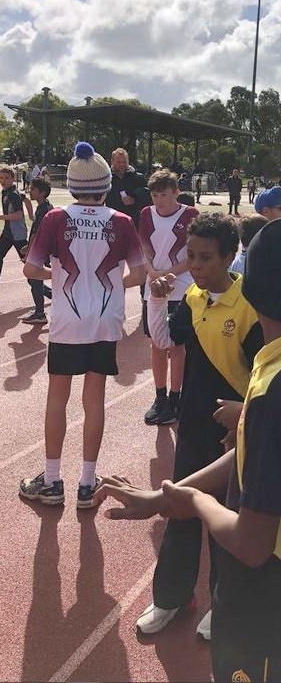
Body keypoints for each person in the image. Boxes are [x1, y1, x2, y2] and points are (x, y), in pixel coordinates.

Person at [94, 217, 281, 682]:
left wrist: (194, 502)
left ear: (249, 285)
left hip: (270, 608)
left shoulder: (276, 389)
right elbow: (252, 448)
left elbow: (251, 545)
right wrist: (168, 496)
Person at [137, 212, 263, 635]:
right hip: (192, 423)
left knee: (226, 517)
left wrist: (245, 415)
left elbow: (265, 373)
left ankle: (225, 605)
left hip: (234, 430)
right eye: (191, 255)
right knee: (180, 507)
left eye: (206, 258)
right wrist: (156, 298)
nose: (196, 265)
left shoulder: (250, 308)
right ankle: (171, 597)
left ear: (230, 256)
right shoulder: (192, 298)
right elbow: (163, 341)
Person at [19, 142, 146, 507]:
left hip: (67, 321)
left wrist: (58, 278)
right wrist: (102, 284)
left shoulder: (55, 218)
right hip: (105, 321)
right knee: (95, 401)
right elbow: (137, 274)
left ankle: (53, 480)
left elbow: (30, 269)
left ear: (72, 185)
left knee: (57, 400)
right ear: (106, 186)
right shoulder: (121, 222)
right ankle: (87, 485)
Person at [138, 169, 199, 426]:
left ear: (176, 192)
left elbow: (193, 255)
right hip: (153, 289)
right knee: (155, 344)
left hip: (181, 287)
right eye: (154, 195)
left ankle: (176, 397)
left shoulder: (190, 215)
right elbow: (144, 247)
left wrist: (167, 273)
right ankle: (160, 396)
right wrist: (152, 272)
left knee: (176, 346)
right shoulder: (145, 214)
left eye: (163, 194)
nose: (158, 200)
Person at [20, 176, 54, 325]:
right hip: (41, 249)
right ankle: (56, 296)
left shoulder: (45, 209)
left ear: (42, 192)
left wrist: (29, 251)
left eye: (33, 189)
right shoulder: (43, 207)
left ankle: (40, 313)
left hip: (41, 250)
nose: (30, 192)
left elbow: (37, 233)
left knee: (35, 279)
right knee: (33, 279)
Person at [105, 147, 148, 229]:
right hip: (111, 221)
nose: (122, 164)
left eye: (124, 161)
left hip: (133, 222)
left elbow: (148, 197)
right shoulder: (106, 179)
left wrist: (134, 199)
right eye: (118, 162)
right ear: (112, 162)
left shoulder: (138, 178)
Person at [0, 164, 28, 278]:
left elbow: (19, 215)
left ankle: (43, 288)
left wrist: (2, 217)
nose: (3, 180)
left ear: (12, 179)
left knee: (29, 261)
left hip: (17, 234)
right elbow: (27, 200)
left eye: (6, 178)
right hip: (7, 233)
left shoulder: (13, 194)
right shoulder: (6, 191)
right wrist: (31, 215)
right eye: (1, 178)